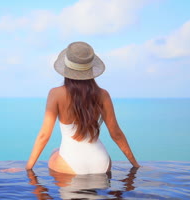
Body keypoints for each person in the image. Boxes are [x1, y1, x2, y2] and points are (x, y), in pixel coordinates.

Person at [25, 41, 140, 174]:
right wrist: (135, 165)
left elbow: (44, 135)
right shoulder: (103, 94)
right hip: (101, 162)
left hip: (69, 164)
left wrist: (28, 169)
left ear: (66, 68)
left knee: (54, 151)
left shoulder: (55, 94)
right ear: (90, 70)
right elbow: (116, 134)